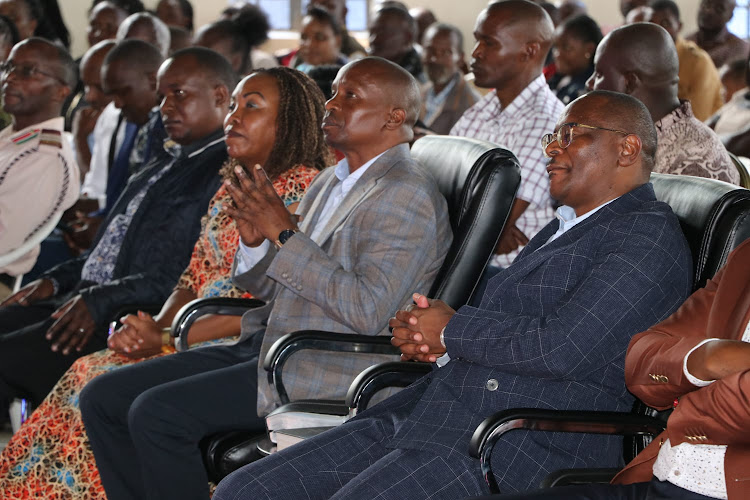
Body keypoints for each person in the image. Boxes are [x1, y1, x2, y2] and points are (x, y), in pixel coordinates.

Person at [212, 88, 693, 500]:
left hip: (515, 438)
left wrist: (452, 329)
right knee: (244, 490)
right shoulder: (567, 226)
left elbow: (563, 347)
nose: (552, 150)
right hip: (434, 413)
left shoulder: (645, 238)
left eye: (571, 135)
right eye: (553, 136)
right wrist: (432, 339)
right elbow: (507, 324)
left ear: (627, 149)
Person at [80, 57, 451, 500]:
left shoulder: (405, 192)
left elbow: (368, 310)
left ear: (395, 116)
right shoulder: (334, 180)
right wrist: (257, 242)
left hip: (325, 362)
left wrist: (284, 233)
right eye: (333, 92)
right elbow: (277, 286)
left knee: (156, 415)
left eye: (349, 96)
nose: (331, 104)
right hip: (271, 341)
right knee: (102, 397)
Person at [0, 66, 328, 500]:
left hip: (234, 343)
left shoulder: (306, 190)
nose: (233, 117)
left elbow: (276, 304)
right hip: (188, 330)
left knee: (97, 383)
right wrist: (153, 326)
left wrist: (170, 334)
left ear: (288, 122)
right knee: (90, 372)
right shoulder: (232, 184)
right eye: (233, 105)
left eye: (251, 107)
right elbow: (191, 278)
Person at [0, 47, 234, 413]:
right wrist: (55, 280)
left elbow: (178, 274)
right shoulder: (166, 158)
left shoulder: (220, 171)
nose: (166, 107)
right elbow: (111, 246)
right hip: (83, 297)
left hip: (126, 315)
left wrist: (98, 299)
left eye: (179, 94)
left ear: (220, 96)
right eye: (162, 96)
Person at [481, 237, 750, 500]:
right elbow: (641, 361)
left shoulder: (646, 238)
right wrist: (704, 359)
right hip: (659, 479)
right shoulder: (745, 259)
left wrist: (698, 391)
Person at [451, 0, 564, 272]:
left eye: (489, 43)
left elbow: (497, 219)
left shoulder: (548, 119)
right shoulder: (483, 109)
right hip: (469, 261)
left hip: (513, 272)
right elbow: (445, 183)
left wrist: (493, 226)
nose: (475, 53)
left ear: (529, 51)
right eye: (477, 41)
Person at [588, 23, 739, 185]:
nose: (589, 83)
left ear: (629, 83)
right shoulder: (634, 136)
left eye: (599, 74)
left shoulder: (692, 163)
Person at [0, 38, 79, 294]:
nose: (10, 78)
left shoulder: (44, 157)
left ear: (61, 91)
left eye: (27, 71)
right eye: (9, 67)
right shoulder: (14, 139)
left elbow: (3, 240)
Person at [648, 0, 723, 122]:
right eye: (650, 23)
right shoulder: (644, 59)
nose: (658, 29)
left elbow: (697, 118)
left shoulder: (698, 61)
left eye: (665, 23)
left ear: (679, 26)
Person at [418, 23, 480, 135]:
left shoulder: (471, 107)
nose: (435, 59)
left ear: (460, 59)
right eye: (430, 50)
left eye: (446, 52)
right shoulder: (416, 93)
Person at [548, 14, 601, 105]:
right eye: (556, 47)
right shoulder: (559, 78)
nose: (557, 54)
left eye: (567, 48)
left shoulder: (588, 90)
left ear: (589, 49)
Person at [368, 5, 425, 82]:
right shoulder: (364, 67)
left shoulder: (419, 81)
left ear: (408, 38)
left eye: (382, 33)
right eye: (371, 32)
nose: (373, 40)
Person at [688, 0, 749, 69]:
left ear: (730, 16)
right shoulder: (686, 42)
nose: (709, 11)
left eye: (719, 9)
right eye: (706, 4)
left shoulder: (739, 48)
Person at [293, 6, 348, 74]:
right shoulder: (299, 73)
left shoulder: (349, 75)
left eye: (319, 37)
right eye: (304, 37)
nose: (309, 44)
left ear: (337, 41)